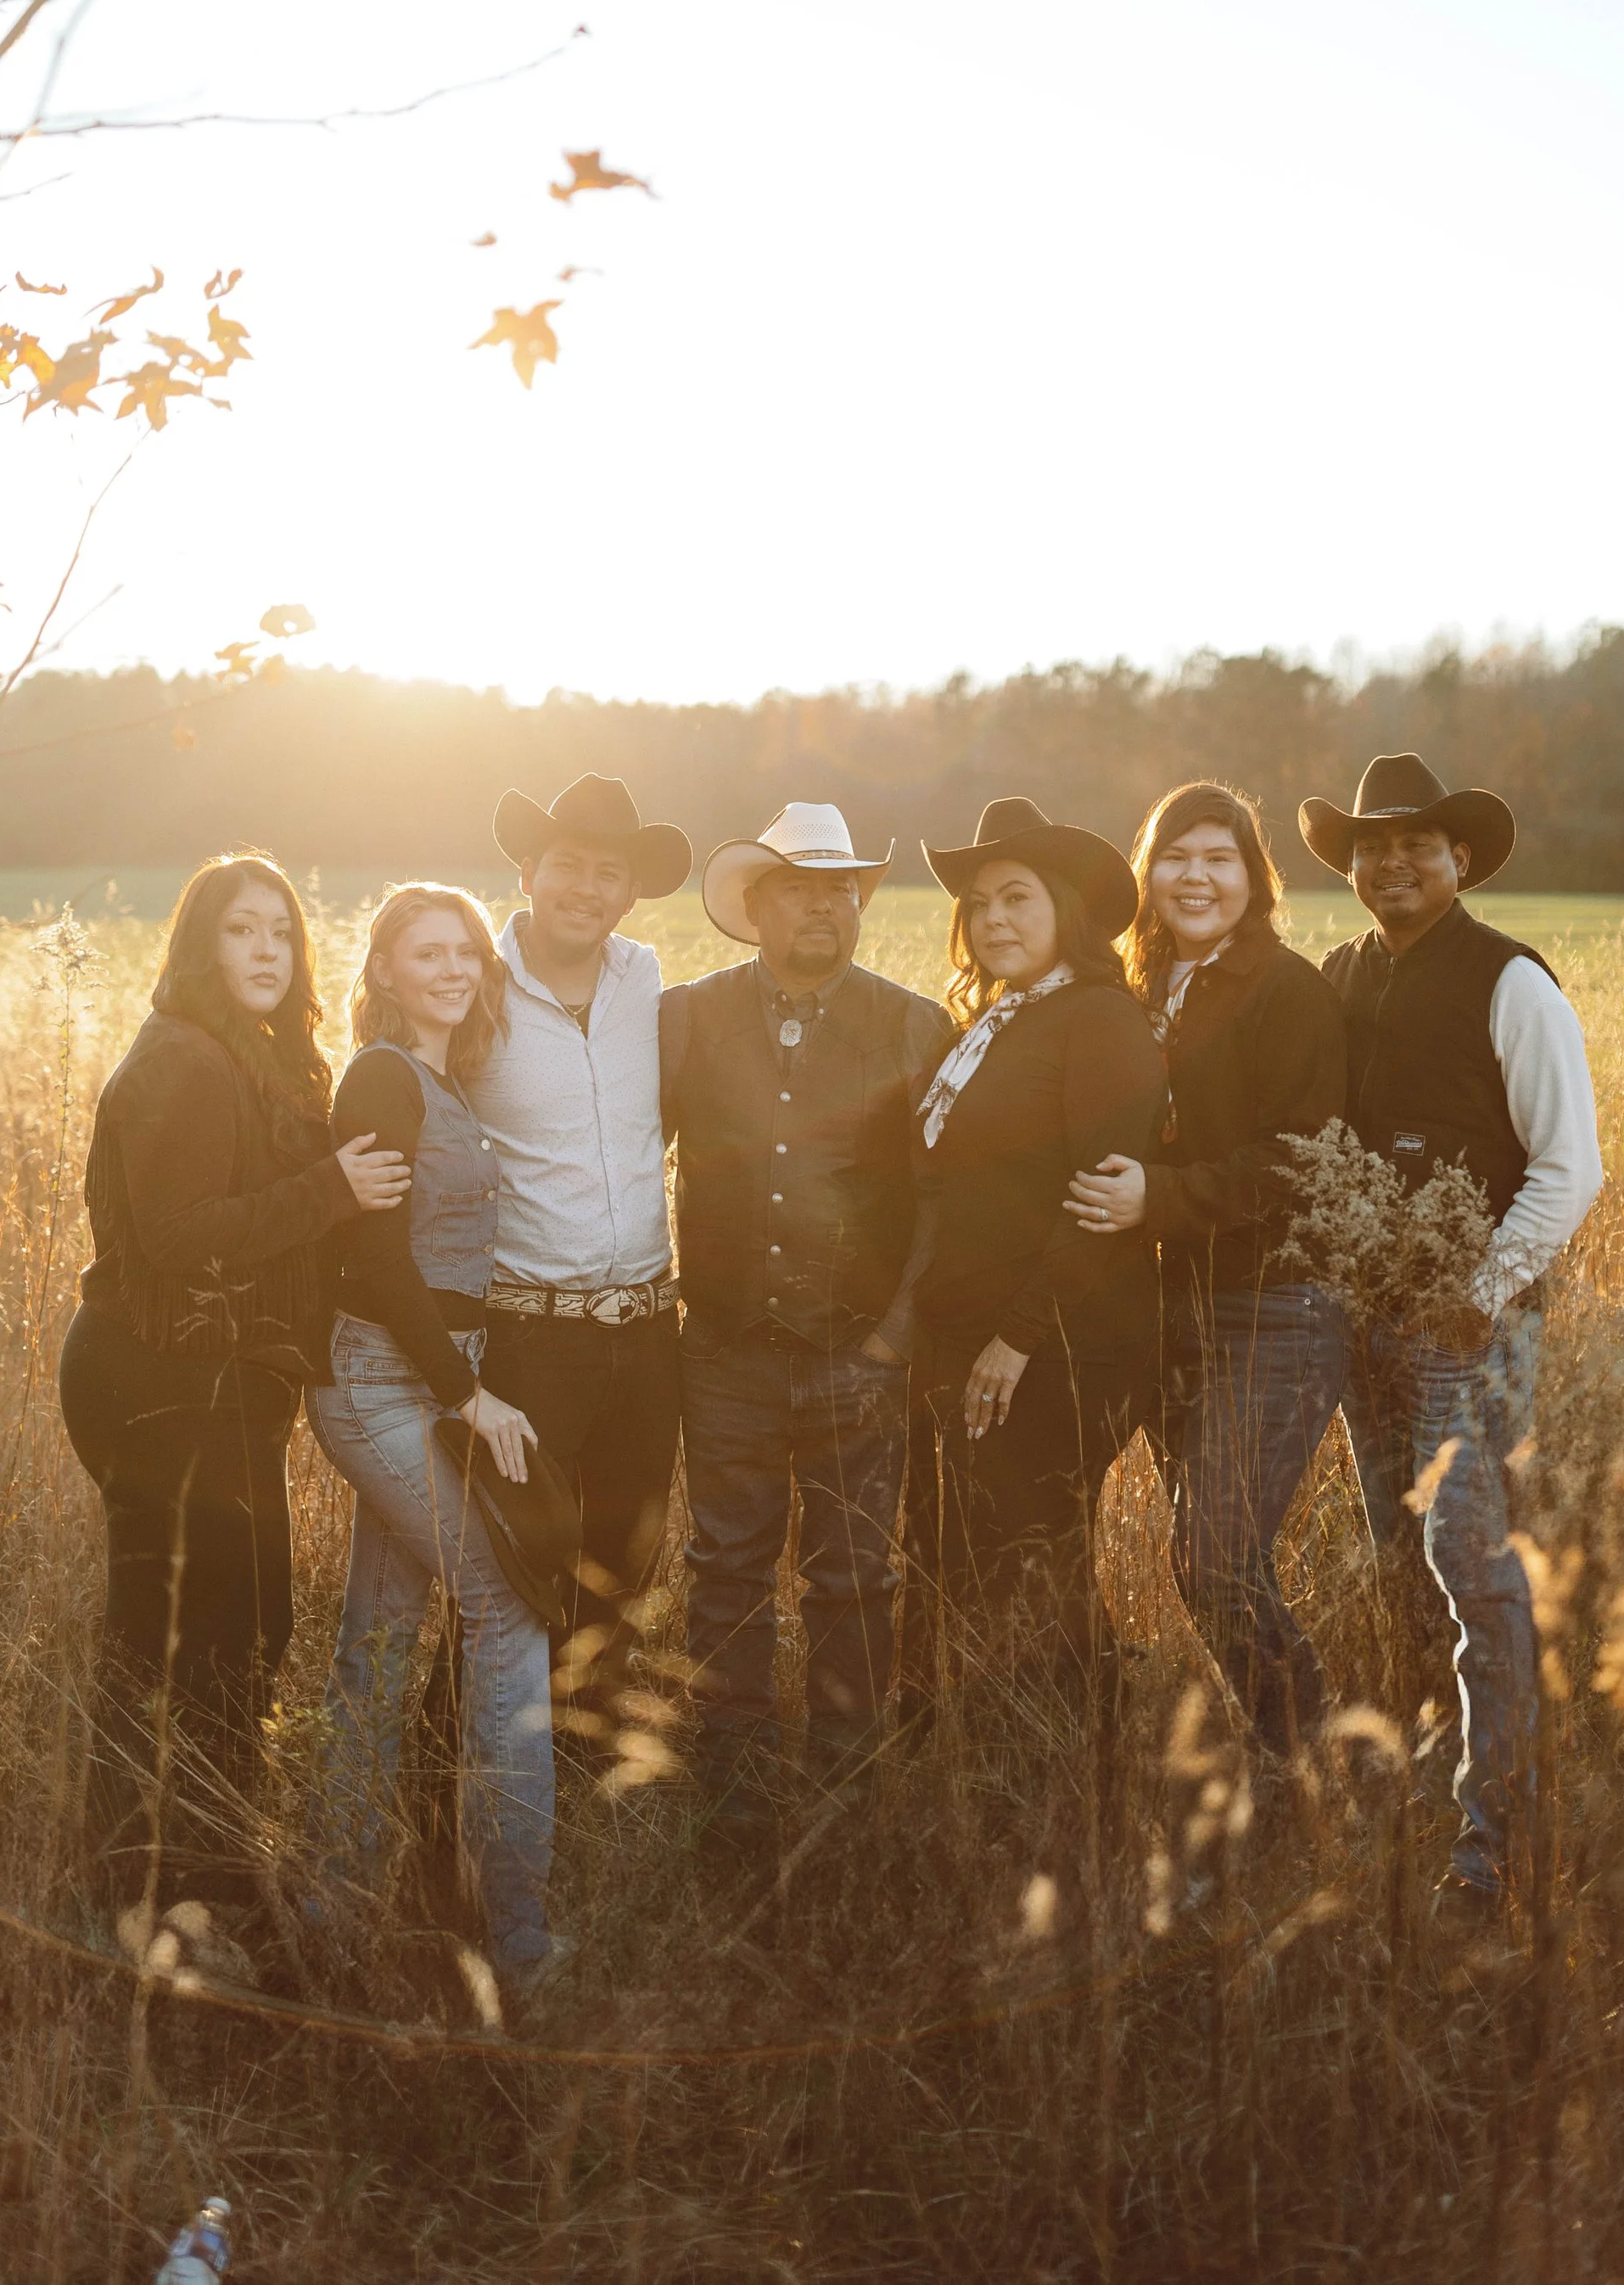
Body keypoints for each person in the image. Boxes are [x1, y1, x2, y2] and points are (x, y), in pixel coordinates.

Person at [60, 853, 407, 1932]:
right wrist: (331, 1190)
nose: (265, 952)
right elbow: (172, 1241)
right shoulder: (183, 1062)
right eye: (240, 931)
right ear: (200, 946)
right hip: (161, 1382)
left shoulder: (245, 1054)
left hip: (212, 1385)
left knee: (238, 1628)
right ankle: (151, 1891)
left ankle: (193, 1873)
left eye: (281, 933)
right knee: (182, 1643)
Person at [1299, 751, 1602, 1911]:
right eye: (1371, 846)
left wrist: (1480, 1291)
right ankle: (1439, 1769)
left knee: (1472, 1567)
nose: (1390, 861)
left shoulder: (1511, 980)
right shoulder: (1339, 973)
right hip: (1366, 1327)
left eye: (1415, 843)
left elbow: (1572, 1165)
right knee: (1402, 1556)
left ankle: (1496, 1837)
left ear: (1458, 858)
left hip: (1471, 1329)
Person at [307, 884, 576, 1992]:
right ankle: (515, 1938)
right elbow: (373, 1262)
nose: (454, 965)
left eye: (466, 948)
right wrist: (468, 1394)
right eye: (427, 950)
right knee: (507, 1614)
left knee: (377, 1643)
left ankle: (332, 1912)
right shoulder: (380, 1074)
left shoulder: (444, 1079)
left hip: (412, 1375)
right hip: (381, 1381)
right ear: (383, 967)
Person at [663, 804, 953, 1829]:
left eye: (841, 888)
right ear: (755, 905)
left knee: (854, 1578)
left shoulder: (916, 1024)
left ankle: (845, 1790)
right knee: (725, 1567)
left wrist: (895, 1336)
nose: (824, 905)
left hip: (859, 1352)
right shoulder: (688, 1017)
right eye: (799, 886)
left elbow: (942, 1200)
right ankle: (732, 1792)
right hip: (725, 1349)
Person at [1062, 781, 1347, 1756]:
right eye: (1176, 857)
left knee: (1214, 1551)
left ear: (1253, 879)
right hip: (1174, 1304)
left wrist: (1162, 1198)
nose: (1196, 876)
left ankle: (1299, 1763)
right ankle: (1285, 1753)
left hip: (1275, 1305)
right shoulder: (1140, 986)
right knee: (1204, 1558)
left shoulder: (1286, 989)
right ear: (1149, 875)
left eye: (1218, 858)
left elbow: (1300, 1158)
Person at [900, 796, 1164, 1705]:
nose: (994, 920)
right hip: (978, 1332)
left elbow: (1097, 1204)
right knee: (988, 1560)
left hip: (1059, 1343)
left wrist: (1016, 1339)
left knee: (1030, 1557)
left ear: (1066, 912)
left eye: (1017, 898)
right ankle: (996, 1767)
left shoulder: (1097, 1019)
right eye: (979, 904)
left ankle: (1063, 1781)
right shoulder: (999, 1018)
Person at [472, 773, 692, 1749]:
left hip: (647, 1333)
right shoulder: (474, 987)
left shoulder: (645, 979)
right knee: (517, 1568)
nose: (587, 888)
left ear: (630, 893)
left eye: (610, 873)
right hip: (530, 1337)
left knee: (621, 1566)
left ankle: (588, 1775)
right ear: (528, 871)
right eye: (568, 865)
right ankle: (480, 1784)